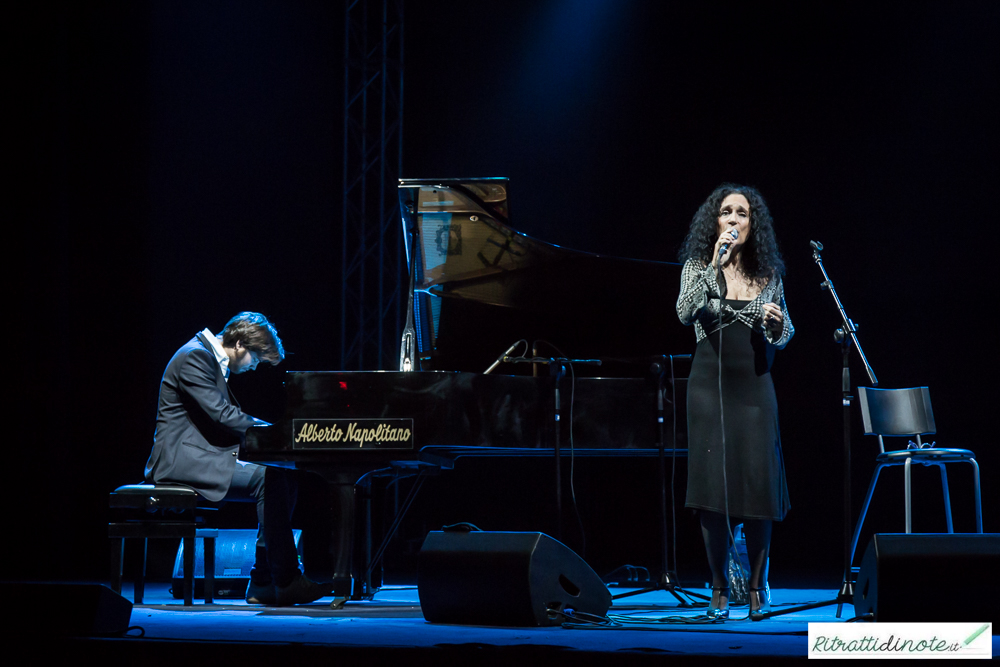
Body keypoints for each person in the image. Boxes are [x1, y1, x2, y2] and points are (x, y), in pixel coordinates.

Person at [143, 312, 333, 606]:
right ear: (241, 344)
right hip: (179, 462)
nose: (254, 368)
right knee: (267, 476)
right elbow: (222, 415)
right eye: (255, 360)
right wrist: (276, 432)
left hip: (200, 457)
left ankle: (264, 581)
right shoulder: (195, 357)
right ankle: (281, 580)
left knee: (281, 473)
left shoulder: (205, 358)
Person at [675, 184, 793, 620]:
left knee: (757, 484)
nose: (733, 220)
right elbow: (685, 312)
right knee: (712, 489)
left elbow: (787, 334)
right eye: (726, 212)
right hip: (709, 385)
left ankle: (759, 587)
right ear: (716, 222)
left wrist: (777, 324)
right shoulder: (697, 267)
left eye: (742, 214)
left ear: (751, 224)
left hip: (755, 385)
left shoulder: (768, 275)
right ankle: (720, 588)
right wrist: (713, 266)